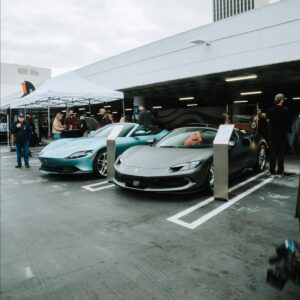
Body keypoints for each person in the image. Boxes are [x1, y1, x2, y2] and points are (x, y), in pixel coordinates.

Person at [267, 93, 290, 178]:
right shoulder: (285, 110)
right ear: (281, 100)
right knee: (281, 154)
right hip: (282, 135)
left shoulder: (270, 110)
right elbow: (288, 123)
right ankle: (280, 172)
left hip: (272, 135)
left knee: (272, 154)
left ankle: (272, 172)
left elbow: (268, 122)